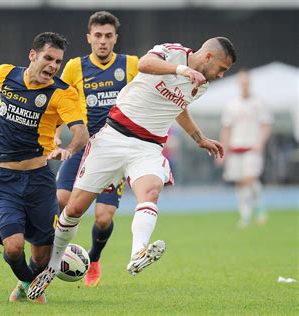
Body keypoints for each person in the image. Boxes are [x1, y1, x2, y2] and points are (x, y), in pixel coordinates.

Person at [28, 37, 236, 300]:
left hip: (148, 148)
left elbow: (177, 107)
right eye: (222, 68)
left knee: (150, 192)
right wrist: (181, 69)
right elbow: (145, 65)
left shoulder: (201, 85)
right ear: (208, 57)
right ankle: (53, 265)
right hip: (113, 138)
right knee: (74, 208)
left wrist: (199, 138)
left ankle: (138, 253)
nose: (220, 75)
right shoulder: (171, 53)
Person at [0, 32, 89, 304]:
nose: (52, 65)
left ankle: (26, 285)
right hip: (3, 180)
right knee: (13, 247)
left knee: (41, 255)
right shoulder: (7, 74)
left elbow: (81, 133)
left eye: (58, 62)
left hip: (38, 181)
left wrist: (68, 150)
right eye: (48, 58)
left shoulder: (62, 93)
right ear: (32, 55)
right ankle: (30, 284)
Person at [55, 11, 138, 287]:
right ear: (89, 37)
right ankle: (50, 256)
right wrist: (54, 134)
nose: (103, 41)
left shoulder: (131, 65)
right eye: (98, 36)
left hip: (114, 151)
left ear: (116, 38)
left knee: (103, 218)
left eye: (108, 36)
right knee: (62, 199)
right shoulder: (74, 67)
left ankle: (94, 257)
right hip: (82, 145)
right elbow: (59, 101)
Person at [219, 69, 272, 227]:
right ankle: (245, 215)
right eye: (241, 82)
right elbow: (226, 128)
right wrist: (224, 150)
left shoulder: (258, 103)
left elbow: (266, 124)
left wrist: (260, 142)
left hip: (252, 148)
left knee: (250, 178)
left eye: (246, 82)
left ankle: (260, 209)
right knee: (240, 182)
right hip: (236, 148)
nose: (244, 85)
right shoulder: (232, 105)